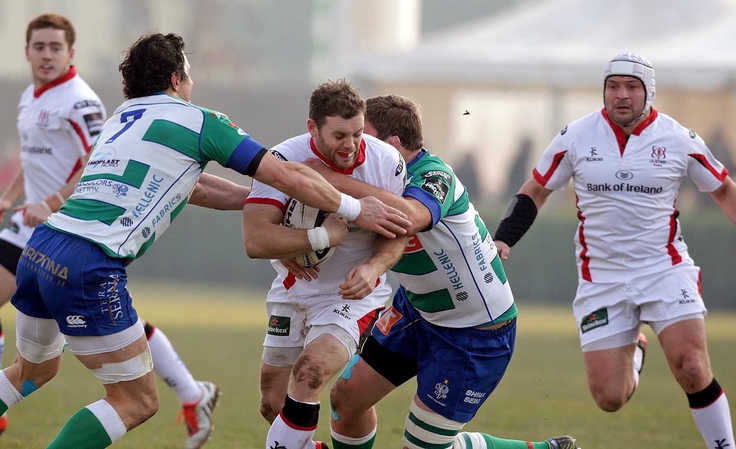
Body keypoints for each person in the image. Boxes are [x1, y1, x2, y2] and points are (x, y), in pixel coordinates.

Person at [0, 33, 408, 449]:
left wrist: (258, 201)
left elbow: (193, 186)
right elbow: (284, 173)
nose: (193, 83)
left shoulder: (125, 115)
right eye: (190, 73)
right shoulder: (199, 120)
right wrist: (351, 209)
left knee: (31, 371)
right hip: (88, 261)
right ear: (176, 76)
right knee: (136, 401)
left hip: (42, 247)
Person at [0, 15, 226, 449]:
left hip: (66, 225)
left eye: (56, 46)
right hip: (41, 228)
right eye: (40, 46)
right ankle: (189, 391)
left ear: (71, 53)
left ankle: (189, 390)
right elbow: (32, 160)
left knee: (88, 327)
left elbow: (102, 164)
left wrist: (50, 203)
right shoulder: (30, 98)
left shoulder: (83, 103)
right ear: (27, 51)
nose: (47, 54)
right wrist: (13, 196)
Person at [304, 94, 579, 449]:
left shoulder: (434, 176)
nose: (353, 148)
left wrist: (329, 180)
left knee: (424, 447)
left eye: (362, 139)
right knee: (346, 399)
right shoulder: (377, 180)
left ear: (393, 145)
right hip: (416, 311)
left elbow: (409, 216)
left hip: (475, 333)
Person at [493, 52, 735, 449]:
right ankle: (637, 347)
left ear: (648, 92)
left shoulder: (678, 139)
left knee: (691, 367)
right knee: (610, 398)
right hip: (601, 278)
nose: (621, 95)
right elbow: (536, 189)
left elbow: (724, 189)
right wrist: (504, 237)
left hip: (664, 269)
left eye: (632, 87)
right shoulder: (576, 137)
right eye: (613, 86)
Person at [242, 79, 409, 449]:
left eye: (357, 133)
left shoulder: (385, 161)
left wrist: (373, 268)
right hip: (293, 289)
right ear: (312, 128)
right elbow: (256, 240)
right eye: (338, 135)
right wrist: (320, 237)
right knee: (274, 405)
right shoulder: (282, 160)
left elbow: (398, 228)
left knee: (309, 374)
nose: (350, 145)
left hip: (352, 296)